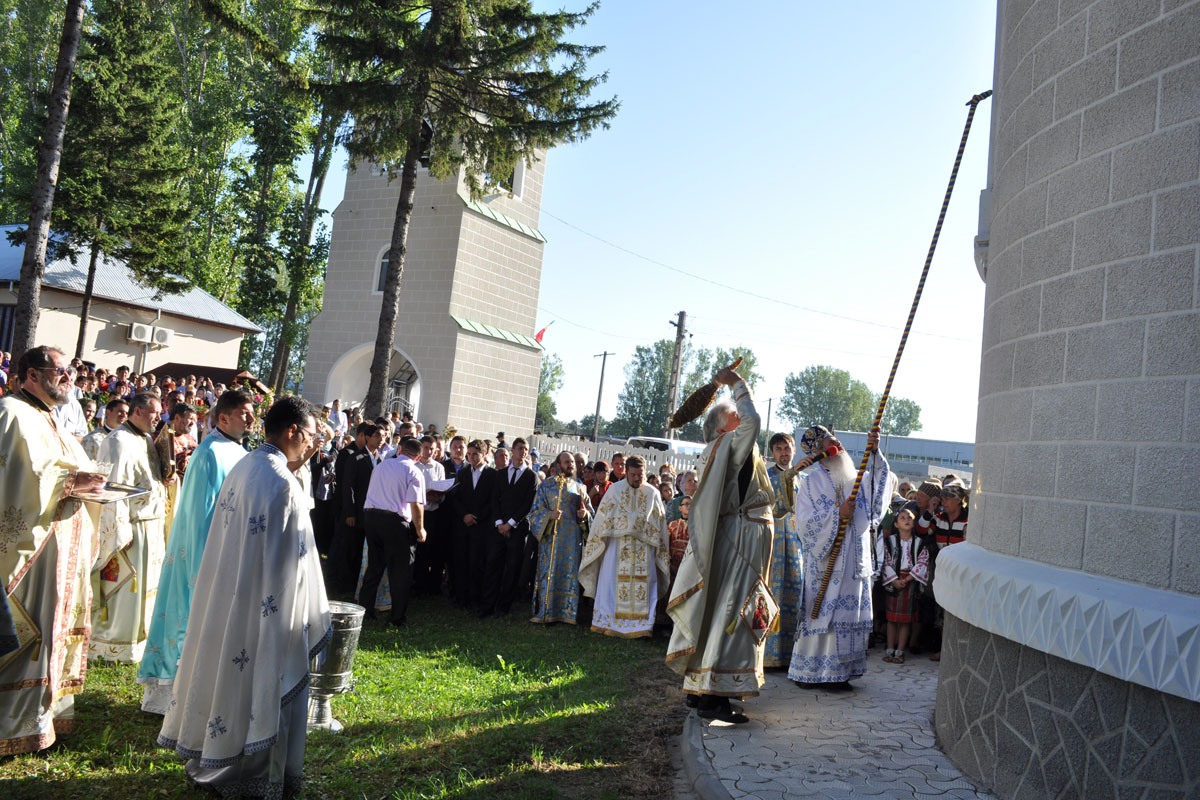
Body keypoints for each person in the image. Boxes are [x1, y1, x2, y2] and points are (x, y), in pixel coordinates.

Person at [157, 397, 330, 798]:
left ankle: (218, 758)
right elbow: (294, 562)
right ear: (292, 431)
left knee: (230, 678)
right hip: (267, 611)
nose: (311, 444)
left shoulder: (247, 464)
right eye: (310, 435)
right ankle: (254, 775)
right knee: (262, 683)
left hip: (232, 598)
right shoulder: (282, 482)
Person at [0, 346, 105, 755]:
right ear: (31, 374)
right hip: (31, 550)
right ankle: (11, 724)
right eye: (60, 370)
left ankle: (44, 715)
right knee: (30, 630)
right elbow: (16, 475)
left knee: (53, 627)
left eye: (70, 371)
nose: (68, 378)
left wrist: (92, 483)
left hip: (62, 547)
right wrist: (69, 483)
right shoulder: (10, 412)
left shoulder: (53, 418)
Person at [666, 367, 774, 723]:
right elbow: (754, 421)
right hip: (741, 541)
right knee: (733, 610)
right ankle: (714, 696)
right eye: (734, 416)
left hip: (738, 536)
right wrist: (737, 384)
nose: (741, 418)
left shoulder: (724, 451)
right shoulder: (729, 445)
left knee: (719, 609)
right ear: (724, 428)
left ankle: (700, 688)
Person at [137, 389, 254, 714]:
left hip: (228, 548)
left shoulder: (238, 450)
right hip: (200, 554)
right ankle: (174, 695)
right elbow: (199, 515)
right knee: (189, 618)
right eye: (244, 413)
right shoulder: (209, 453)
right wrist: (204, 564)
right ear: (223, 418)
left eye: (251, 413)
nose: (250, 419)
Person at [787, 425, 889, 690]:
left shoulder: (858, 478)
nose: (839, 446)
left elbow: (880, 487)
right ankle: (808, 673)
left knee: (845, 618)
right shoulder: (811, 483)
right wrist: (836, 515)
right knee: (821, 617)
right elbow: (804, 524)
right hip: (825, 564)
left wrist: (875, 452)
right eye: (832, 443)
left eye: (838, 441)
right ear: (821, 453)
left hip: (852, 564)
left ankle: (840, 674)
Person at [90, 392, 168, 664]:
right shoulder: (118, 441)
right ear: (137, 411)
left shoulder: (146, 439)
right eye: (154, 412)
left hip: (152, 523)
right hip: (132, 527)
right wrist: (119, 531)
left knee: (146, 588)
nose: (159, 418)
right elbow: (111, 487)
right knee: (126, 588)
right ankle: (111, 644)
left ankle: (139, 642)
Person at [579, 455, 670, 638]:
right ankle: (609, 621)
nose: (637, 478)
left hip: (644, 548)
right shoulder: (615, 491)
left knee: (645, 585)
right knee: (612, 583)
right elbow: (602, 520)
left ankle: (641, 626)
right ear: (626, 473)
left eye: (640, 475)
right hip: (616, 547)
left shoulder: (653, 493)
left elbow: (660, 525)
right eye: (633, 474)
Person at [359, 436, 426, 627]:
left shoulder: (382, 465)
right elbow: (416, 504)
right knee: (400, 571)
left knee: (374, 566)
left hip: (371, 517)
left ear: (400, 449)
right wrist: (420, 529)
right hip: (394, 522)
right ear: (418, 457)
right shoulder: (414, 471)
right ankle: (397, 618)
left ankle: (365, 609)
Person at [528, 451, 591, 624]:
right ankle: (546, 611)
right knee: (549, 573)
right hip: (550, 541)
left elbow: (589, 513)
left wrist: (584, 515)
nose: (570, 465)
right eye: (566, 462)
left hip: (572, 543)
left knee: (569, 575)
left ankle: (567, 613)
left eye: (572, 462)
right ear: (558, 465)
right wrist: (549, 515)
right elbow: (535, 512)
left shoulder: (580, 487)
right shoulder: (546, 486)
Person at [764, 432, 804, 669]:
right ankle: (769, 655)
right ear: (772, 453)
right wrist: (793, 472)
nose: (784, 453)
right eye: (778, 449)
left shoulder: (803, 479)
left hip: (797, 545)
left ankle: (792, 655)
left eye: (787, 448)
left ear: (794, 450)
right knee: (773, 593)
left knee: (796, 594)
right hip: (773, 544)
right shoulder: (767, 476)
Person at [489, 438, 538, 616]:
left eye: (526, 449)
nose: (523, 452)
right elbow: (494, 499)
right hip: (498, 528)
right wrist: (499, 523)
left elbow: (527, 504)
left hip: (518, 529)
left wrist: (510, 524)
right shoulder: (501, 474)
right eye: (520, 448)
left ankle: (504, 606)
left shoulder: (531, 476)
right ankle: (488, 602)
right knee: (493, 564)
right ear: (513, 451)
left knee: (512, 567)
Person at [450, 439, 498, 611]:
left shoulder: (492, 475)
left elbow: (493, 501)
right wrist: (464, 515)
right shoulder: (463, 473)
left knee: (477, 563)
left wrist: (477, 517)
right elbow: (455, 497)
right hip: (464, 525)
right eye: (469, 454)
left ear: (483, 455)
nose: (470, 457)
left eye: (475, 454)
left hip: (481, 526)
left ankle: (476, 598)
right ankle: (461, 596)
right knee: (462, 560)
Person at [878, 507, 929, 665]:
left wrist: (907, 580)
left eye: (910, 518)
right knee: (892, 619)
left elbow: (922, 562)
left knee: (905, 620)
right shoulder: (889, 542)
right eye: (902, 518)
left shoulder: (919, 543)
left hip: (910, 581)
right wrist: (894, 580)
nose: (906, 520)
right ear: (896, 524)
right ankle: (890, 649)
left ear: (914, 522)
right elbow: (885, 561)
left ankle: (900, 651)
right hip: (893, 581)